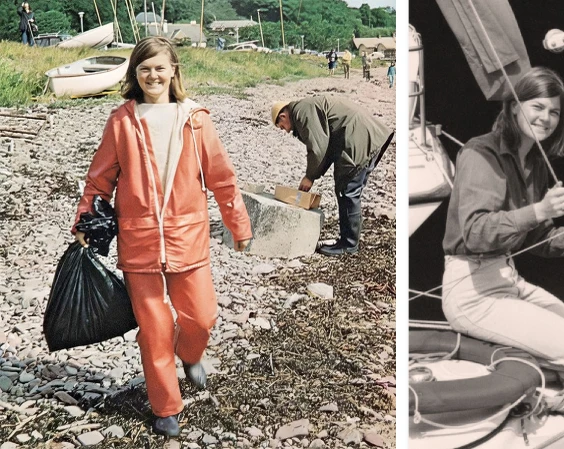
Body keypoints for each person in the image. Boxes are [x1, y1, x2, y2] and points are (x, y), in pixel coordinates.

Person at [72, 36, 252, 437]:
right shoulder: (121, 121)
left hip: (189, 239)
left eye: (159, 68)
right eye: (144, 69)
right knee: (155, 328)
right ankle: (166, 406)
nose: (152, 75)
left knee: (201, 317)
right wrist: (85, 221)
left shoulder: (196, 119)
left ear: (173, 71)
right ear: (135, 74)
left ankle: (190, 354)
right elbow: (99, 180)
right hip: (138, 243)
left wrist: (238, 223)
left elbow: (222, 178)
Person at [441, 67, 564, 385]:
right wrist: (539, 210)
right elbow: (476, 233)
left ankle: (549, 377)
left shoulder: (535, 163)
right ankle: (530, 381)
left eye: (554, 112)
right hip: (471, 292)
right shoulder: (480, 153)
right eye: (537, 107)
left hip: (509, 279)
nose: (545, 118)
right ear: (513, 106)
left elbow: (539, 238)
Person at [270, 95, 394, 256]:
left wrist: (310, 176)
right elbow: (327, 148)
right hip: (367, 135)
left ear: (283, 116)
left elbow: (318, 148)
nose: (286, 131)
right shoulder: (305, 108)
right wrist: (314, 175)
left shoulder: (301, 112)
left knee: (347, 190)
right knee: (349, 189)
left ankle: (348, 245)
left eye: (282, 127)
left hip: (358, 138)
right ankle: (349, 241)